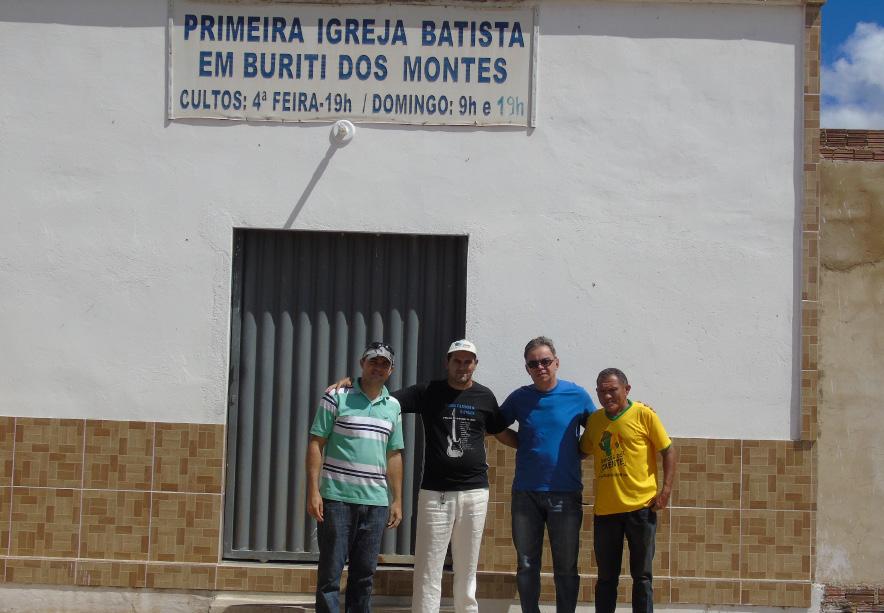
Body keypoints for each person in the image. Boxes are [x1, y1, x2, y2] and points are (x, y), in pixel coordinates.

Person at [329, 339, 507, 613]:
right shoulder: (429, 391)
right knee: (428, 567)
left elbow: (499, 429)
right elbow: (383, 397)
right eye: (457, 361)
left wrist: (535, 441)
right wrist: (352, 383)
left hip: (475, 494)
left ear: (475, 365)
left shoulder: (485, 397)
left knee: (467, 568)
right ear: (447, 362)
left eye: (467, 361)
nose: (462, 366)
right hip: (436, 494)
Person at [496, 336, 596, 613]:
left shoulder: (577, 395)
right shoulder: (519, 397)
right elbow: (496, 426)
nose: (540, 367)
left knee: (566, 566)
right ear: (527, 368)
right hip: (526, 495)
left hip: (565, 493)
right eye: (533, 363)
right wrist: (520, 442)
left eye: (545, 361)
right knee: (527, 564)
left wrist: (580, 452)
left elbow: (598, 428)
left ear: (556, 362)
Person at [307, 342, 404, 613]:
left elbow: (394, 454)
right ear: (362, 363)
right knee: (330, 575)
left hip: (375, 504)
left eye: (384, 363)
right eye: (373, 361)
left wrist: (396, 500)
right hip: (336, 500)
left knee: (364, 577)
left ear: (391, 369)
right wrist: (314, 491)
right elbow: (316, 443)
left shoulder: (393, 406)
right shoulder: (336, 397)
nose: (378, 367)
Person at [579, 368, 676, 613]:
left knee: (642, 577)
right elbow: (582, 450)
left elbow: (668, 450)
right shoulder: (595, 421)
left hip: (641, 510)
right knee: (606, 578)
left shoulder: (644, 415)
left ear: (626, 389)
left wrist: (665, 491)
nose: (607, 396)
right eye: (602, 391)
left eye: (613, 390)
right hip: (606, 513)